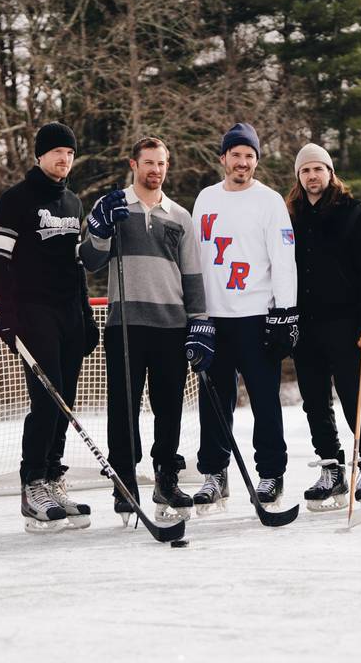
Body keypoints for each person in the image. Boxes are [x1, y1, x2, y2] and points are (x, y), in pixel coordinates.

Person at [78, 137, 212, 524]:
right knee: (124, 409)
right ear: (133, 164)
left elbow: (192, 274)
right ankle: (124, 483)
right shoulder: (113, 207)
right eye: (149, 163)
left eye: (162, 163)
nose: (156, 170)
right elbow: (90, 260)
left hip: (171, 326)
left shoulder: (179, 215)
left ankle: (166, 478)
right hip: (126, 325)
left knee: (169, 409)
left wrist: (199, 320)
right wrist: (100, 230)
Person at [0, 121, 97, 533]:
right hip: (34, 313)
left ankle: (53, 478)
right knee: (45, 400)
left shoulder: (73, 203)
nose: (63, 158)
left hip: (69, 312)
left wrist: (85, 316)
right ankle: (33, 484)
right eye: (56, 152)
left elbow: (78, 266)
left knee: (65, 401)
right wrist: (7, 315)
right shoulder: (15, 200)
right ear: (39, 156)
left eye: (69, 152)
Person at [190, 123, 299, 513]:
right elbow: (197, 260)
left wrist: (285, 312)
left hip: (257, 316)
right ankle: (214, 475)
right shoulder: (205, 198)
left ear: (256, 160)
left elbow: (283, 260)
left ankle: (271, 473)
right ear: (223, 159)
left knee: (264, 401)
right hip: (214, 319)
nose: (242, 162)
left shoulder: (269, 201)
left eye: (249, 156)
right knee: (213, 402)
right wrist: (196, 313)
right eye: (236, 155)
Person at [286, 143, 361, 511]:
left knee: (352, 394)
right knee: (314, 398)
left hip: (345, 322)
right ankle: (331, 468)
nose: (312, 176)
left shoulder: (354, 214)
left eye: (319, 169)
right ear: (299, 177)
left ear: (330, 173)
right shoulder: (291, 217)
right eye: (305, 171)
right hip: (305, 323)